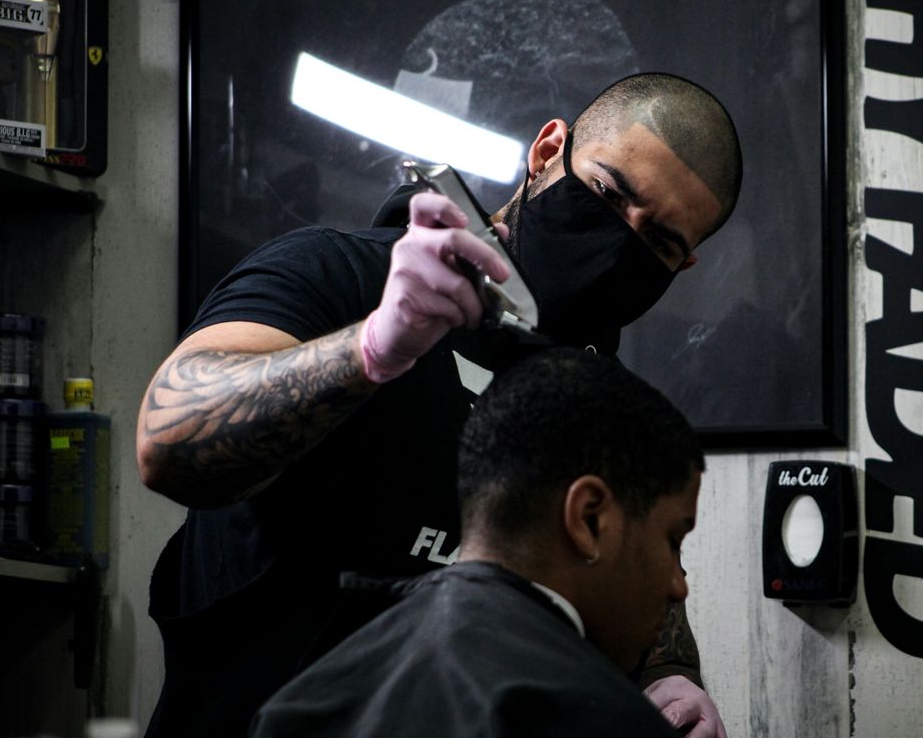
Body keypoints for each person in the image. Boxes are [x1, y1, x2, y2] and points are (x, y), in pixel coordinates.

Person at [138, 72, 742, 737]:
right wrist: (368, 349)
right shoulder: (338, 273)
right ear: (546, 153)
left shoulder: (594, 399)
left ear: (682, 266)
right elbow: (166, 445)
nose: (619, 240)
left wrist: (667, 674)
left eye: (657, 241)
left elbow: (637, 559)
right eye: (607, 192)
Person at [251, 349, 714, 737]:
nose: (678, 586)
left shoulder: (303, 701)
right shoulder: (598, 721)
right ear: (588, 518)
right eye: (673, 540)